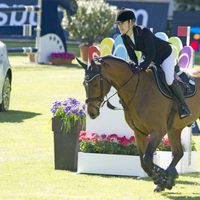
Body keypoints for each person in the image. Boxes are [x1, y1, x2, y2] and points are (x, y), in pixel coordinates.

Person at [115, 8, 191, 119]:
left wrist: (141, 66)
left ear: (131, 22)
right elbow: (132, 55)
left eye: (122, 23)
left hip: (165, 55)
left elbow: (151, 53)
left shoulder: (144, 32)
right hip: (150, 58)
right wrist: (134, 64)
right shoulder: (124, 37)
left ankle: (184, 106)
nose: (120, 26)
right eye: (118, 24)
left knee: (169, 79)